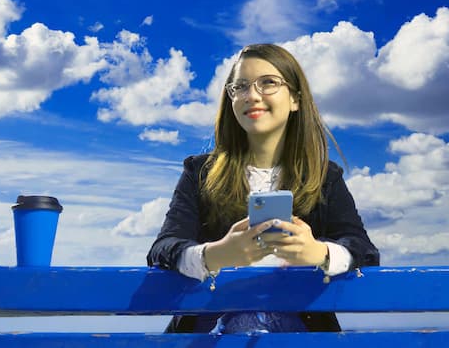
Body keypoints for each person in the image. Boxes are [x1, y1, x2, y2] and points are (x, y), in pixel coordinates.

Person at [147, 43, 379, 333]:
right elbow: (163, 249)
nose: (252, 95)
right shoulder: (200, 173)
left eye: (268, 83)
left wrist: (319, 253)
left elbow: (364, 251)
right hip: (211, 335)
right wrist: (217, 254)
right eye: (240, 86)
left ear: (295, 98)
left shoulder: (325, 177)